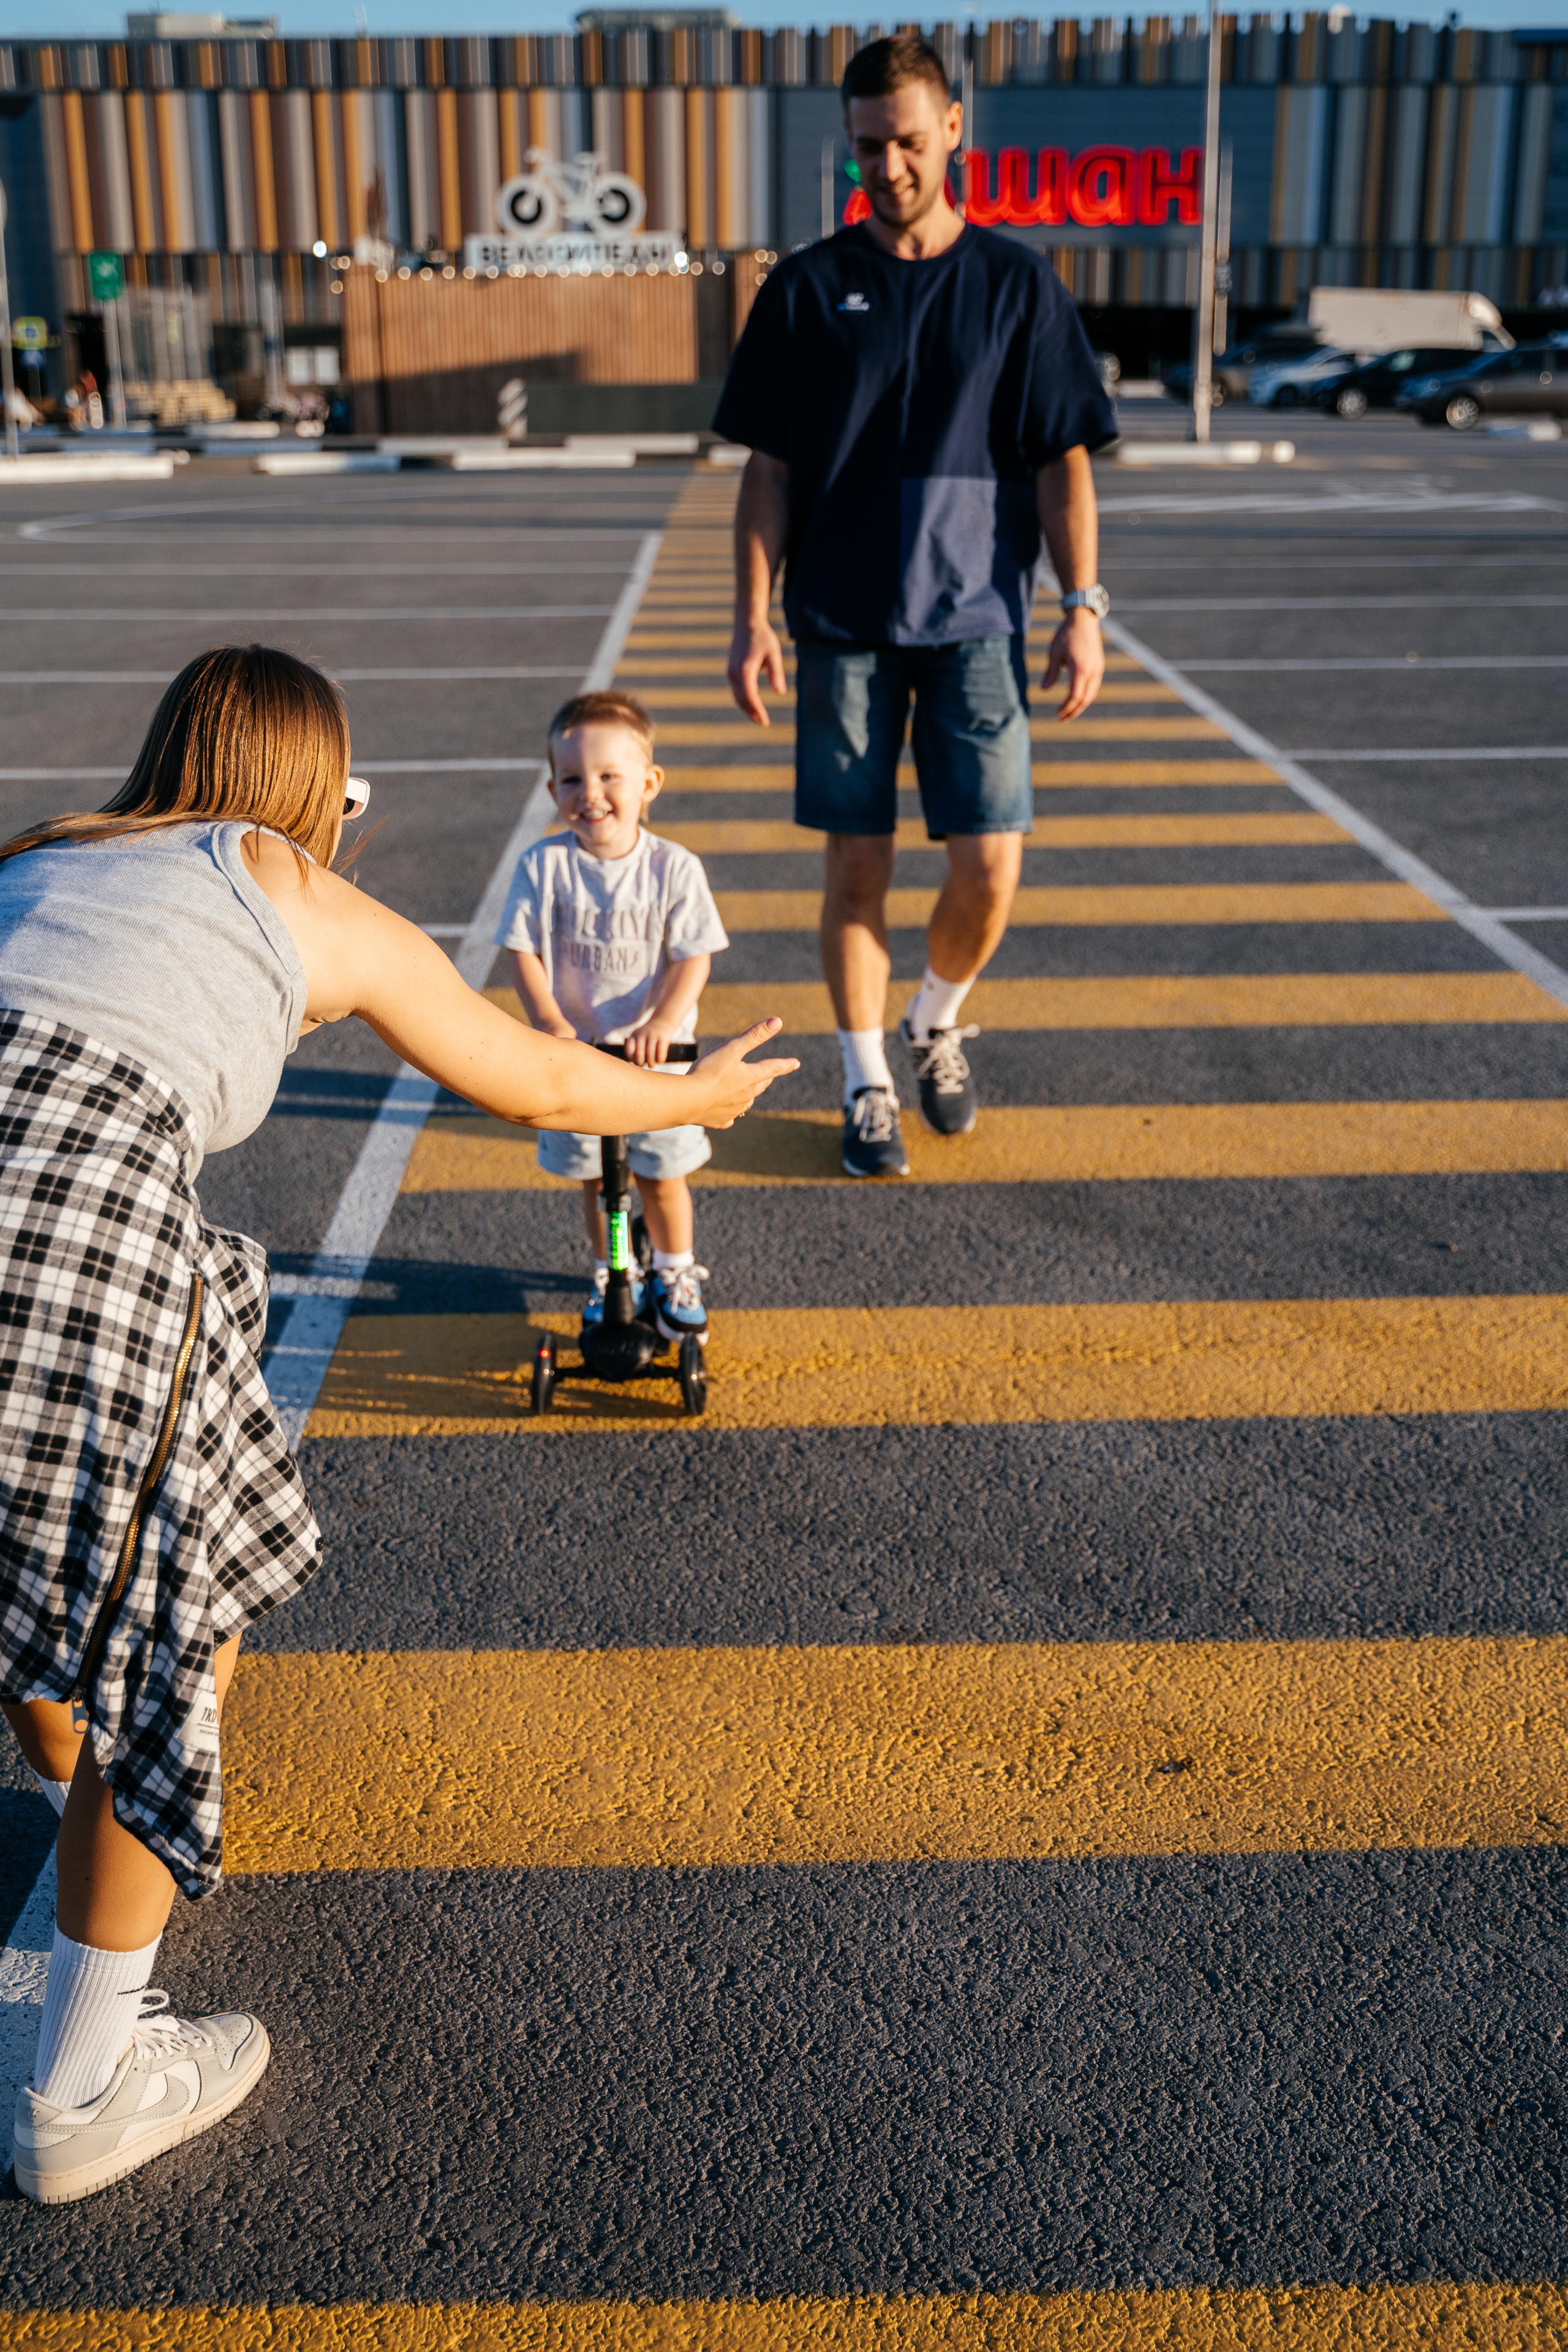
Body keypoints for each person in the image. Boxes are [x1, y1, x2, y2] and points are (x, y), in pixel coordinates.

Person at [0, 646, 794, 2204]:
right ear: (313, 792)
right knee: (182, 1624)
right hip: (75, 1227)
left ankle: (62, 1810)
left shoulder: (38, 854)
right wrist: (704, 1089)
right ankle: (83, 2078)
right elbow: (533, 1074)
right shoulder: (293, 883)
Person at [715, 30, 1118, 1178]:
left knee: (990, 868)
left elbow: (1063, 461)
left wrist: (1081, 605)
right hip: (840, 622)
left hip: (977, 620)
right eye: (864, 146)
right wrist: (751, 617)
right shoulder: (804, 287)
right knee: (856, 870)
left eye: (904, 140)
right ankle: (865, 1081)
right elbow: (769, 471)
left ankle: (934, 1018)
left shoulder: (1016, 283)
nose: (886, 166)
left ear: (952, 130)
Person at [502, 690, 726, 1343]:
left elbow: (694, 958)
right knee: (600, 1181)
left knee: (661, 1174)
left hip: (658, 1064)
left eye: (608, 777)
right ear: (552, 787)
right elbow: (521, 949)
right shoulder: (543, 867)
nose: (589, 793)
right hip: (580, 1061)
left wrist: (662, 1020)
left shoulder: (671, 868)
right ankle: (612, 1269)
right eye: (572, 779)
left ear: (648, 784)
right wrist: (546, 1016)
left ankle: (676, 1271)